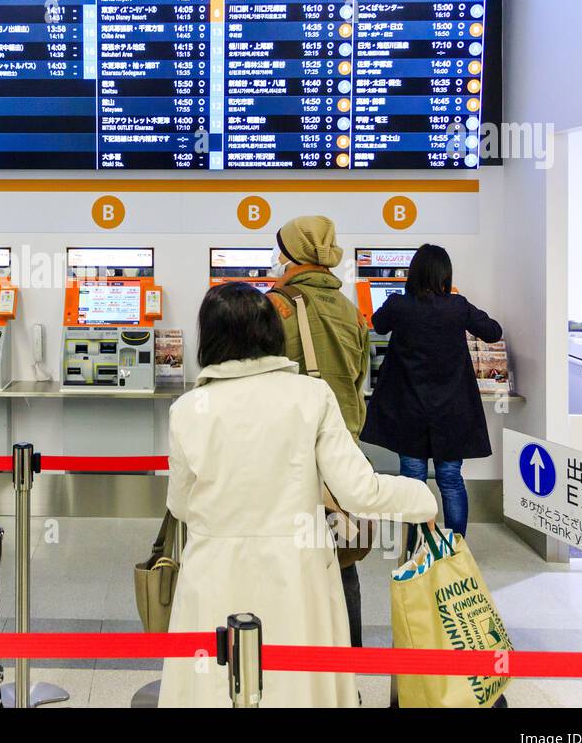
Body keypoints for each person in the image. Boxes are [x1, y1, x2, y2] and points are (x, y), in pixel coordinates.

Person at [159, 283, 436, 708]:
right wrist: (421, 497)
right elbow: (359, 492)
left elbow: (179, 504)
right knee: (297, 685)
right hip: (297, 570)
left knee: (214, 686)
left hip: (212, 571)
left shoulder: (188, 410)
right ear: (273, 333)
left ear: (209, 337)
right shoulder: (311, 396)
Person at [269, 214, 370, 648]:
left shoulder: (275, 307)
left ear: (291, 254)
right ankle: (348, 667)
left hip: (287, 458)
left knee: (283, 559)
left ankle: (282, 664)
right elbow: (359, 378)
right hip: (343, 455)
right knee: (341, 559)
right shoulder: (351, 310)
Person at [360, 244, 503, 543]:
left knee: (412, 481)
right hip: (451, 410)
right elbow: (493, 331)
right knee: (451, 480)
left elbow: (378, 324)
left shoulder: (399, 305)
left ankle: (414, 547)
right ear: (445, 275)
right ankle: (455, 548)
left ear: (413, 274)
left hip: (410, 408)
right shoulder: (458, 306)